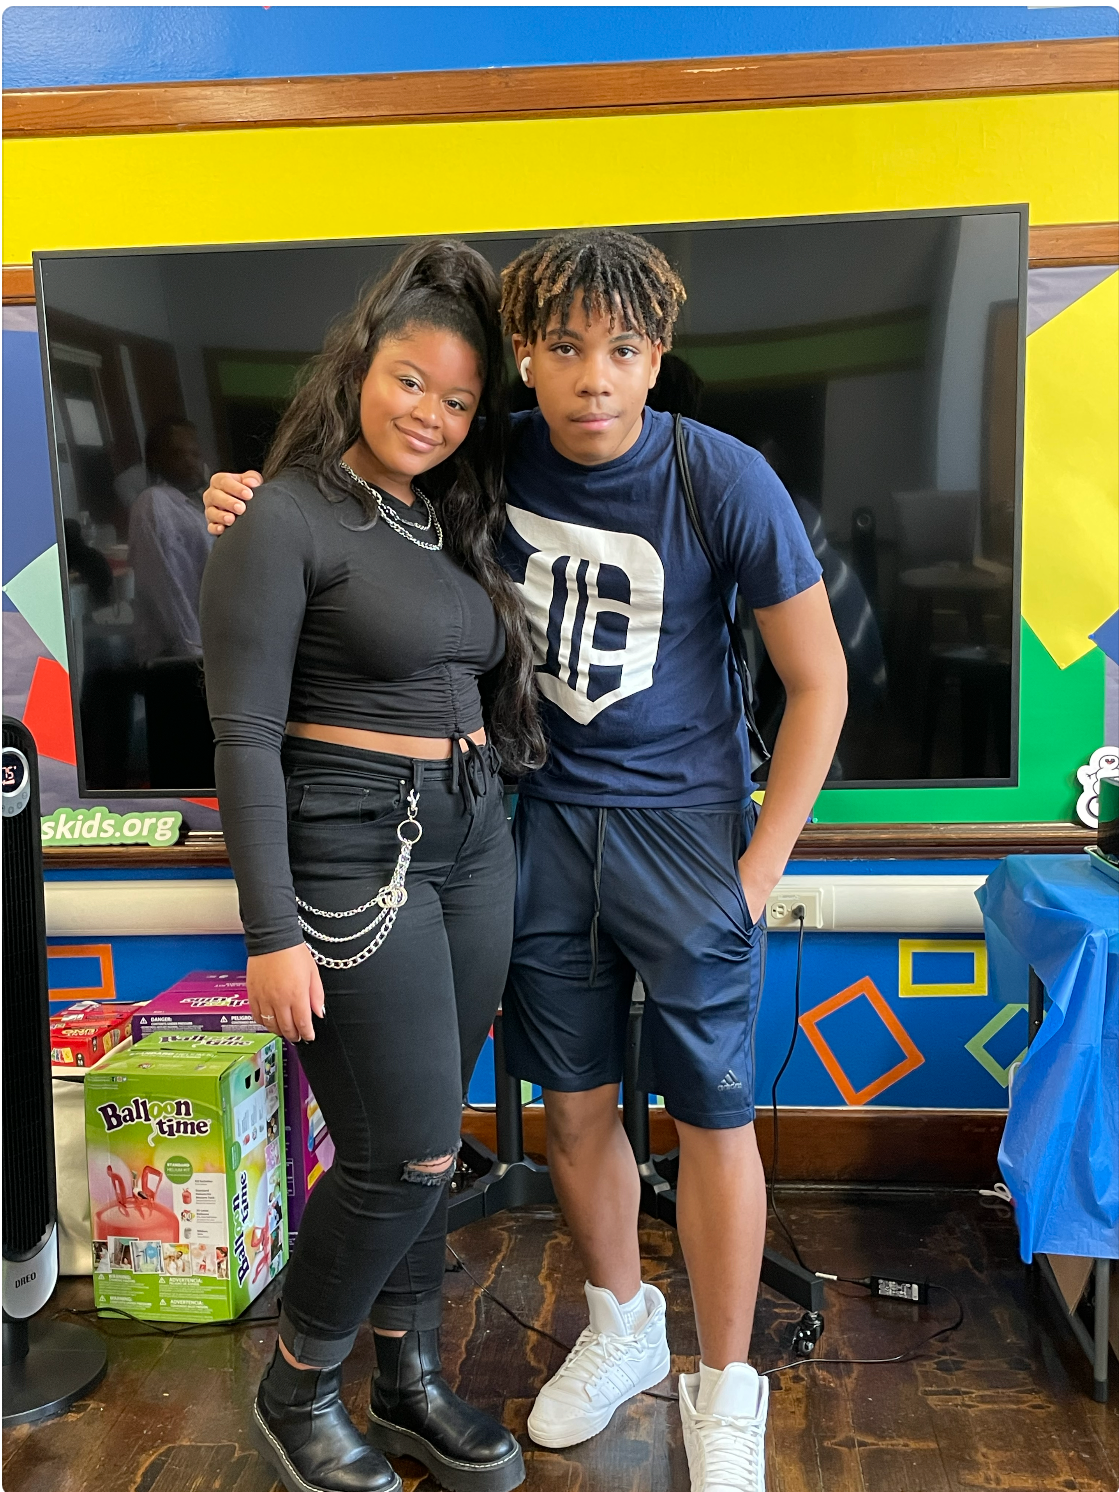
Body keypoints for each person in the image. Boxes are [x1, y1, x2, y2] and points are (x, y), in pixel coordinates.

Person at [205, 228, 847, 1492]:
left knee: (715, 1115)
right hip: (531, 819)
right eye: (563, 347)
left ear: (657, 356)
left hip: (683, 834)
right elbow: (352, 502)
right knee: (575, 1104)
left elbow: (816, 679)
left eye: (623, 349)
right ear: (527, 357)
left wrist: (760, 868)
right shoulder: (483, 450)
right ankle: (619, 1325)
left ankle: (728, 1386)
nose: (593, 376)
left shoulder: (724, 476)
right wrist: (247, 499)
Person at [199, 240, 544, 1492]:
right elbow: (243, 737)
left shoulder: (444, 518)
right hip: (354, 849)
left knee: (433, 1136)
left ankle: (408, 1378)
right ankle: (297, 1387)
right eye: (410, 381)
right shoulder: (281, 514)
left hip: (475, 840)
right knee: (400, 1151)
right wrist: (270, 934)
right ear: (359, 366)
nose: (430, 415)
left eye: (458, 399)